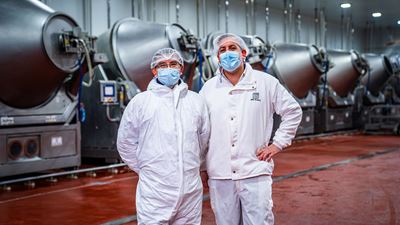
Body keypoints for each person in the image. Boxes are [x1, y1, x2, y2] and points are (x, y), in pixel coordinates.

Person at [199, 33, 302, 225]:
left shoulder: (265, 82)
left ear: (243, 52)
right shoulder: (208, 89)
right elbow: (202, 131)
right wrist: (204, 167)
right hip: (220, 174)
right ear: (217, 57)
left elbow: (293, 111)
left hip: (254, 171)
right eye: (222, 50)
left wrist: (277, 144)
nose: (227, 53)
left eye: (232, 48)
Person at [117, 48, 210, 225]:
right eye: (162, 65)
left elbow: (204, 139)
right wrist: (146, 169)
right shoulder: (141, 101)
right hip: (155, 190)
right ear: (154, 70)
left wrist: (191, 166)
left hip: (190, 189)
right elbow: (125, 142)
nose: (168, 68)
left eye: (173, 64)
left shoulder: (195, 101)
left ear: (181, 68)